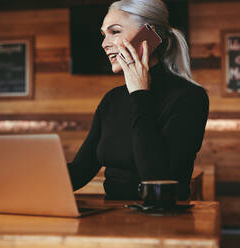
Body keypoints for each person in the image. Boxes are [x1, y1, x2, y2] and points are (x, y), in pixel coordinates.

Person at [68, 0, 209, 200]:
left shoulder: (189, 97)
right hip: (112, 221)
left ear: (149, 36)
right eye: (104, 34)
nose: (104, 43)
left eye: (115, 32)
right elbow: (81, 169)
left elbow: (158, 183)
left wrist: (140, 94)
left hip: (163, 220)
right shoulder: (112, 99)